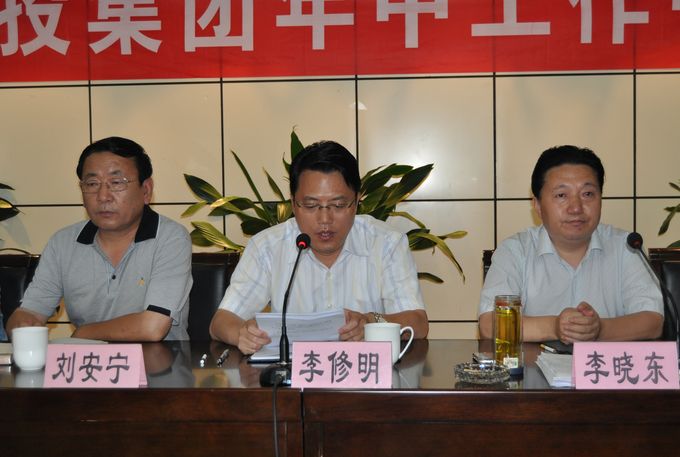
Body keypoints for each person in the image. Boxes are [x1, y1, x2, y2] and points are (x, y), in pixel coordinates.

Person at [210, 140, 428, 354]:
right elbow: (221, 322)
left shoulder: (387, 244)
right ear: (293, 203)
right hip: (294, 376)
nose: (325, 219)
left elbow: (418, 323)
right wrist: (242, 334)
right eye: (311, 205)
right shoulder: (267, 248)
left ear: (357, 200)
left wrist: (371, 322)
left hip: (366, 375)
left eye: (338, 205)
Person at [6, 137, 192, 341]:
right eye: (92, 183)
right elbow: (31, 311)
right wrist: (23, 325)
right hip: (88, 361)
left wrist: (82, 333)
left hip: (159, 360)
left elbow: (152, 327)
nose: (103, 196)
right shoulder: (63, 243)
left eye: (117, 183)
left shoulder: (170, 238)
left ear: (146, 190)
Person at [479, 145, 663, 343]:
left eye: (587, 194)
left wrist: (599, 329)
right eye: (561, 195)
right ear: (537, 205)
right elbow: (489, 324)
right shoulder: (515, 251)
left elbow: (653, 322)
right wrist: (555, 327)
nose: (576, 208)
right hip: (535, 363)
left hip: (604, 363)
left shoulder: (627, 248)